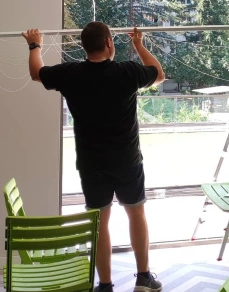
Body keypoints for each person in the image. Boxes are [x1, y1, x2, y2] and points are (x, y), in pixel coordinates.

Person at [22, 22, 165, 292]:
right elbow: (158, 74)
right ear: (109, 43)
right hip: (127, 161)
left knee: (99, 222)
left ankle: (106, 285)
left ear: (84, 46)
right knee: (136, 214)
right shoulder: (127, 71)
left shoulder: (70, 74)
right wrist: (138, 44)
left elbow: (36, 73)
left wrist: (34, 44)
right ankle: (144, 278)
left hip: (91, 164)